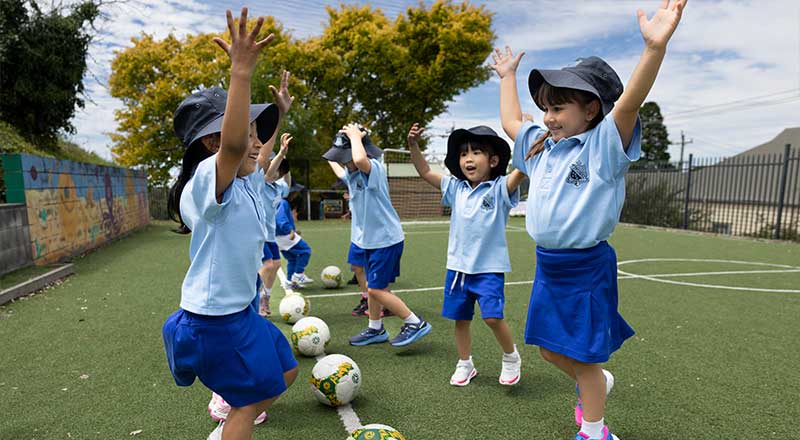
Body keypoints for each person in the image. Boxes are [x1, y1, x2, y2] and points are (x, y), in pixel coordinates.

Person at [493, 1, 687, 439]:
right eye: (546, 106)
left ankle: (595, 430)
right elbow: (510, 121)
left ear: (592, 109)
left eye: (559, 107)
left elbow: (631, 102)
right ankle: (596, 384)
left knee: (584, 360)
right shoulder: (542, 146)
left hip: (585, 269)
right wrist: (507, 79)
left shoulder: (601, 148)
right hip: (549, 266)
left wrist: (654, 48)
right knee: (547, 352)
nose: (548, 116)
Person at [161, 8, 298, 440]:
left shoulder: (248, 184)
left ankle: (230, 410)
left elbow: (252, 149)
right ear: (211, 142)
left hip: (240, 313)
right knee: (244, 408)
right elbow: (239, 144)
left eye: (260, 134)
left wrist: (279, 113)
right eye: (249, 131)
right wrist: (240, 73)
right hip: (212, 323)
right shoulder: (208, 184)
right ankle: (229, 419)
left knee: (287, 370)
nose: (257, 142)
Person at [407, 122, 525, 386]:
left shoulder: (499, 189)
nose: (468, 159)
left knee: (493, 317)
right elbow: (425, 171)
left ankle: (510, 357)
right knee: (461, 319)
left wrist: (524, 137)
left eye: (476, 152)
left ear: (493, 160)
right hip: (458, 269)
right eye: (463, 154)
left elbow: (521, 170)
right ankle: (465, 363)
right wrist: (413, 146)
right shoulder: (455, 189)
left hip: (489, 268)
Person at [324, 124, 430, 347]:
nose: (345, 162)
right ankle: (375, 329)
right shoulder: (351, 174)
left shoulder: (374, 168)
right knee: (373, 287)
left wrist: (354, 137)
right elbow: (338, 166)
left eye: (347, 157)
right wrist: (332, 154)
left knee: (375, 289)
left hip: (385, 240)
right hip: (369, 241)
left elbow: (360, 160)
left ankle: (414, 322)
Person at [275, 175, 314, 288]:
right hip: (284, 235)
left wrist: (294, 230)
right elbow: (280, 219)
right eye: (294, 191)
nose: (295, 194)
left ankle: (289, 281)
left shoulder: (278, 201)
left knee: (292, 259)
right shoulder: (283, 202)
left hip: (279, 237)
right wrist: (290, 230)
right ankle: (298, 274)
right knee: (305, 250)